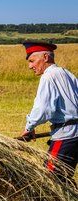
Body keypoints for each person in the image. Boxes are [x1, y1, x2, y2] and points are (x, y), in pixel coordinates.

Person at [20, 41, 78, 183]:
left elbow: (43, 109)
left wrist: (29, 127)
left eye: (32, 61)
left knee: (49, 182)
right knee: (64, 181)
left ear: (45, 57)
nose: (30, 66)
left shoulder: (48, 76)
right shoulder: (67, 74)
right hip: (75, 135)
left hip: (65, 136)